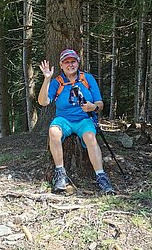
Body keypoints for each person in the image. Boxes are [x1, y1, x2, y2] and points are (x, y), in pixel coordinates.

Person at [38, 49, 114, 194]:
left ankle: (101, 176)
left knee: (90, 138)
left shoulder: (87, 79)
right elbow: (43, 102)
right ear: (61, 65)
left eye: (73, 61)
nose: (70, 64)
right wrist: (47, 79)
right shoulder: (57, 82)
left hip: (84, 119)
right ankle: (60, 174)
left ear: (78, 63)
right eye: (66, 62)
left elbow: (100, 103)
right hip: (64, 120)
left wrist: (93, 107)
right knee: (53, 131)